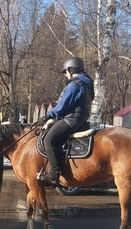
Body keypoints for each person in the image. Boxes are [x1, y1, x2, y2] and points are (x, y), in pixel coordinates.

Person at [37, 56, 94, 185]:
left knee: (48, 140)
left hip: (71, 119)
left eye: (66, 73)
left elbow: (63, 105)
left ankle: (54, 173)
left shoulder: (75, 85)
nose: (66, 76)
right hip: (77, 118)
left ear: (71, 69)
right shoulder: (84, 83)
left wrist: (48, 115)